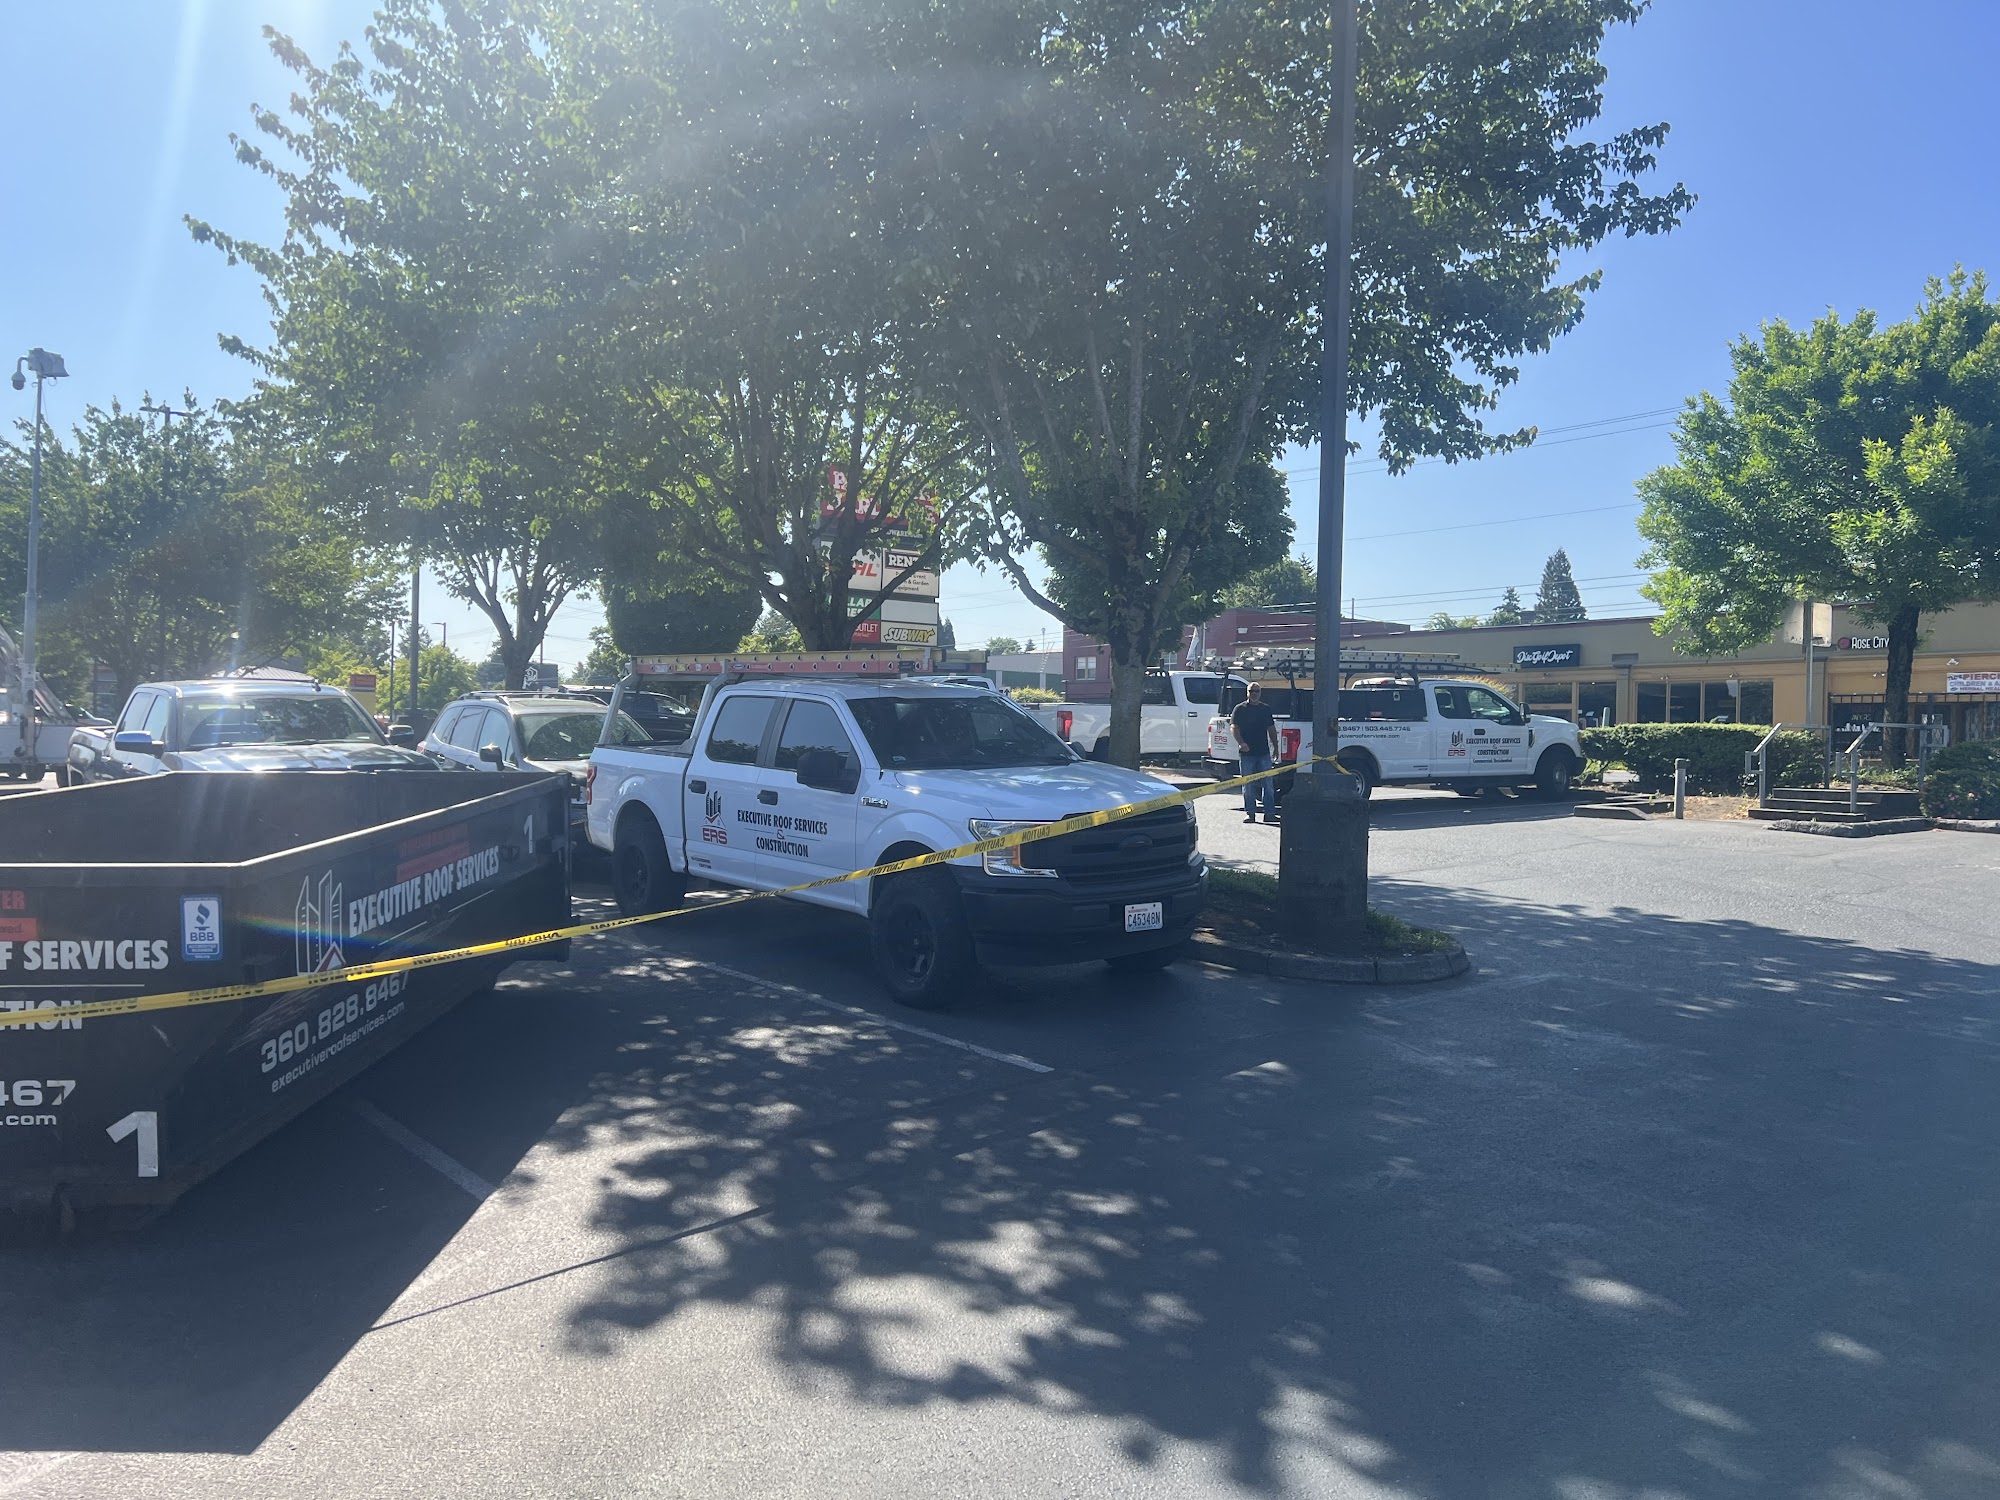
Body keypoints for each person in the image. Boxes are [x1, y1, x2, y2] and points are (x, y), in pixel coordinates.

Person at [1231, 684, 1281, 823]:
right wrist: (1241, 743)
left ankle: (1269, 813)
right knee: (1248, 785)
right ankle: (1250, 813)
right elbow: (1234, 727)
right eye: (1251, 691)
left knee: (1268, 785)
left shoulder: (1265, 709)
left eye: (1257, 691)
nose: (1254, 693)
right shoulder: (1239, 709)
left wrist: (1276, 747)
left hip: (1263, 753)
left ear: (1260, 693)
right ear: (1247, 692)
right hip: (1247, 754)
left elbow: (1271, 729)